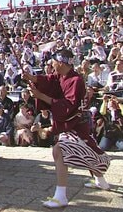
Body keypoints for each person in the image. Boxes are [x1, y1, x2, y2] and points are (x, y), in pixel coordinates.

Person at [24, 48, 112, 208]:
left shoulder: (76, 80)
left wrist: (41, 96)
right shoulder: (61, 75)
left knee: (59, 150)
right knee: (87, 150)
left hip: (75, 122)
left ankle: (61, 196)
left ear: (61, 63)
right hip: (73, 123)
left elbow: (68, 105)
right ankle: (101, 181)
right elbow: (50, 80)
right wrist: (33, 78)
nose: (51, 65)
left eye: (54, 62)